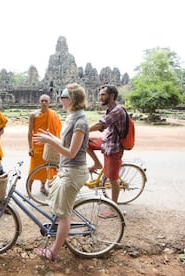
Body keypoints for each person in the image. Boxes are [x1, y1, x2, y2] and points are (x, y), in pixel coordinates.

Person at [32, 83, 89, 261]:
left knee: (64, 216)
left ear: (72, 100)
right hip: (66, 169)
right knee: (58, 206)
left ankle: (53, 252)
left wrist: (51, 141)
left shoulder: (80, 122)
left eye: (63, 97)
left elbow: (71, 153)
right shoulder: (72, 117)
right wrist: (50, 138)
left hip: (73, 171)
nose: (60, 100)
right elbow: (66, 145)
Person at [87, 84, 127, 214]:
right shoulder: (111, 109)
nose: (100, 97)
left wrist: (81, 129)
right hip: (106, 141)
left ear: (112, 96)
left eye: (103, 95)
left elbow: (100, 124)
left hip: (114, 147)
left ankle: (113, 209)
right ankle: (97, 164)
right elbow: (102, 127)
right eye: (100, 95)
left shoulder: (117, 110)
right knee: (85, 142)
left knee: (112, 179)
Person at [28, 94, 62, 195]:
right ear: (39, 102)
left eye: (46, 101)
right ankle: (29, 189)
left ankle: (42, 187)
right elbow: (30, 132)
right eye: (42, 101)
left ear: (49, 102)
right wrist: (30, 147)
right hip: (37, 144)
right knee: (33, 168)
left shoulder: (53, 114)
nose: (44, 103)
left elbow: (58, 130)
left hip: (49, 145)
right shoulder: (33, 115)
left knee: (46, 167)